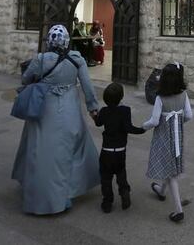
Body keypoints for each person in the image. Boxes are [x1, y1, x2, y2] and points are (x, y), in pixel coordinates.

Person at [11, 24, 101, 215]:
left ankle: (41, 195)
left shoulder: (41, 60)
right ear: (67, 40)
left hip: (44, 111)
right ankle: (67, 193)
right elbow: (87, 86)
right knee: (71, 153)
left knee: (41, 153)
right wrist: (93, 109)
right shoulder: (77, 60)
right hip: (70, 110)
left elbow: (26, 79)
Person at [143, 62, 192, 223]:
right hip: (177, 135)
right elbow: (189, 115)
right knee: (170, 164)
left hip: (163, 137)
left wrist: (144, 126)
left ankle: (178, 210)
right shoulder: (184, 94)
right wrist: (178, 121)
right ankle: (161, 191)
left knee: (171, 173)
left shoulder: (160, 98)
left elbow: (155, 120)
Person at [91, 82, 146, 213]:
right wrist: (142, 129)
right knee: (121, 173)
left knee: (106, 177)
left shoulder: (104, 111)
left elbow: (98, 123)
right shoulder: (125, 110)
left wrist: (94, 115)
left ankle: (107, 202)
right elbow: (129, 128)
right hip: (120, 150)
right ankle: (124, 191)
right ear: (121, 97)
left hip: (107, 151)